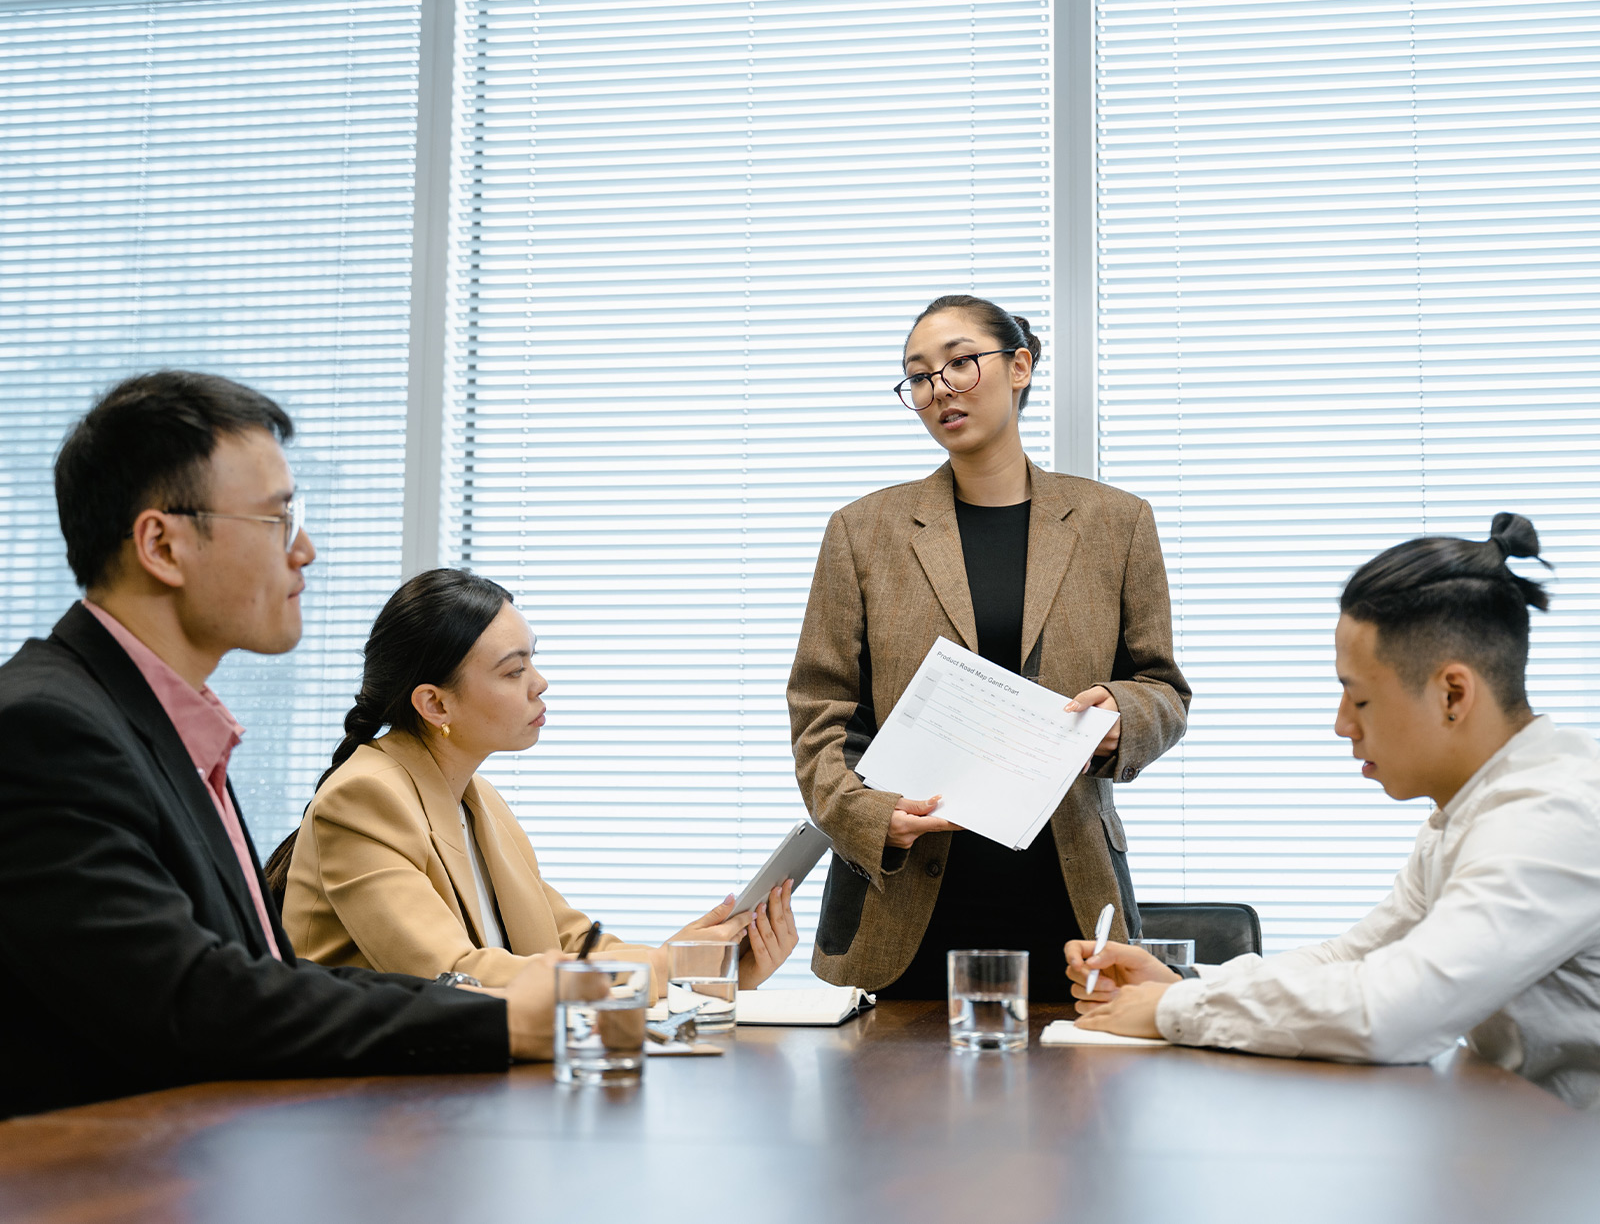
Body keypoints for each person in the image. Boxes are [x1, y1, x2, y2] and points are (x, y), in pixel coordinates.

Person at [0, 371, 556, 1120]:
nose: (306, 551)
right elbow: (196, 1001)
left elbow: (268, 975)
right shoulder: (48, 728)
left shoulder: (164, 728)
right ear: (162, 544)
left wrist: (514, 1006)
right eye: (277, 519)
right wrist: (500, 1019)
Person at [1068, 514, 1600, 1109]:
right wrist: (1187, 983)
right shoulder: (1473, 810)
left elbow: (1392, 1012)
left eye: (1361, 698)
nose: (1342, 725)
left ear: (1454, 694)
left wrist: (1173, 1009)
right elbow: (1355, 956)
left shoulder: (1551, 818)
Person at [787, 295, 1191, 999]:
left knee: (1082, 1103)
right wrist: (870, 816)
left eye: (960, 363)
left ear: (1020, 367)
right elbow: (820, 708)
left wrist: (1121, 714)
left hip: (1064, 887)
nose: (939, 387)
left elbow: (1163, 688)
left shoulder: (1115, 523)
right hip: (905, 892)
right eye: (918, 376)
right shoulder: (862, 531)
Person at [271, 568, 799, 994]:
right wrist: (666, 968)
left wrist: (701, 965)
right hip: (360, 1102)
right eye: (512, 670)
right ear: (435, 703)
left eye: (533, 661)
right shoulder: (364, 798)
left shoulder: (480, 801)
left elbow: (570, 944)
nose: (540, 683)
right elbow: (450, 974)